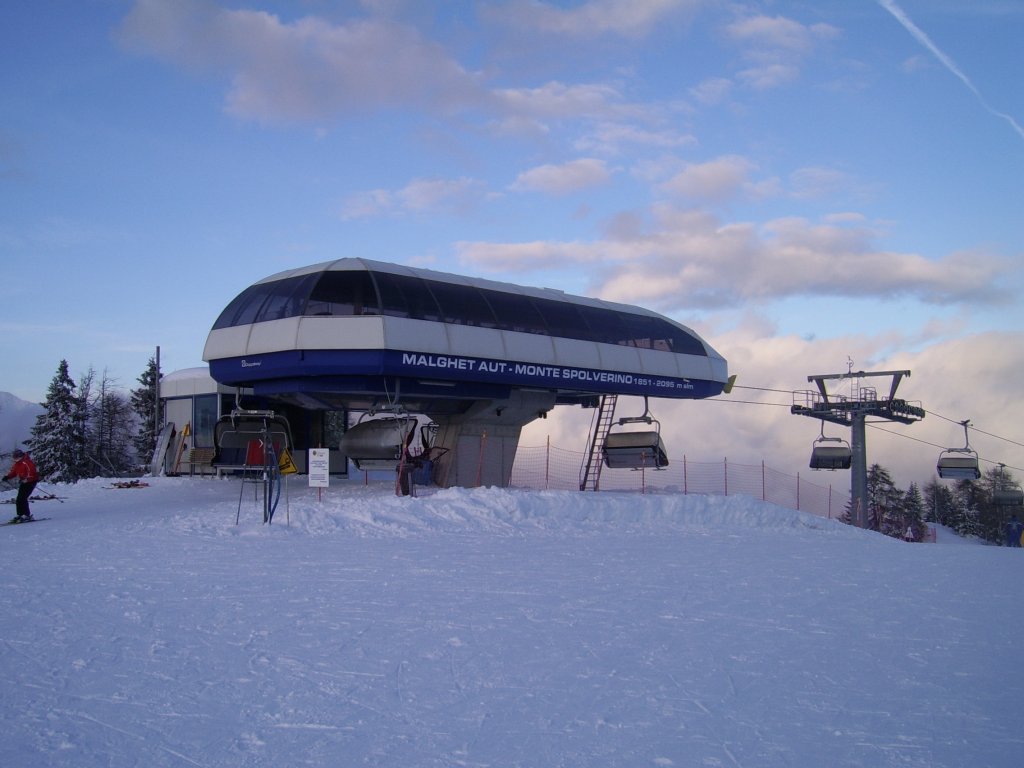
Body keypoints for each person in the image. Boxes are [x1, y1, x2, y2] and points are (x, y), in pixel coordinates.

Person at [3, 449, 39, 523]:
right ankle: (20, 514)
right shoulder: (17, 464)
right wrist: (8, 476)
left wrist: (27, 479)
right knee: (19, 498)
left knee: (22, 498)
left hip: (31, 481)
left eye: (16, 457)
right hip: (24, 482)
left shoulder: (27, 462)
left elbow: (32, 472)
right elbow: (14, 472)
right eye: (14, 457)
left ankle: (26, 515)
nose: (14, 458)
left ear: (20, 456)